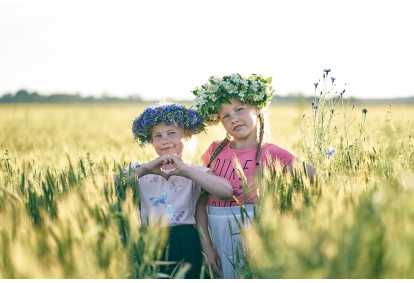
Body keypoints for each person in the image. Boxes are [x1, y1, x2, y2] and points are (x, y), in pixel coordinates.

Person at [192, 73, 317, 279]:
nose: (233, 118)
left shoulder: (273, 153)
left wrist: (275, 187)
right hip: (217, 235)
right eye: (226, 116)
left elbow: (320, 178)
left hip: (255, 237)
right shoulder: (213, 151)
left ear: (257, 108)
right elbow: (201, 203)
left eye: (239, 109)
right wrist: (207, 245)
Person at [114, 102, 233, 279]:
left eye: (172, 133)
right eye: (157, 136)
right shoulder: (139, 169)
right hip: (149, 240)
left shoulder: (196, 172)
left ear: (187, 136)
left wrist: (186, 171)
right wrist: (145, 169)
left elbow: (226, 191)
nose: (164, 140)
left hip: (185, 240)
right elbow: (107, 187)